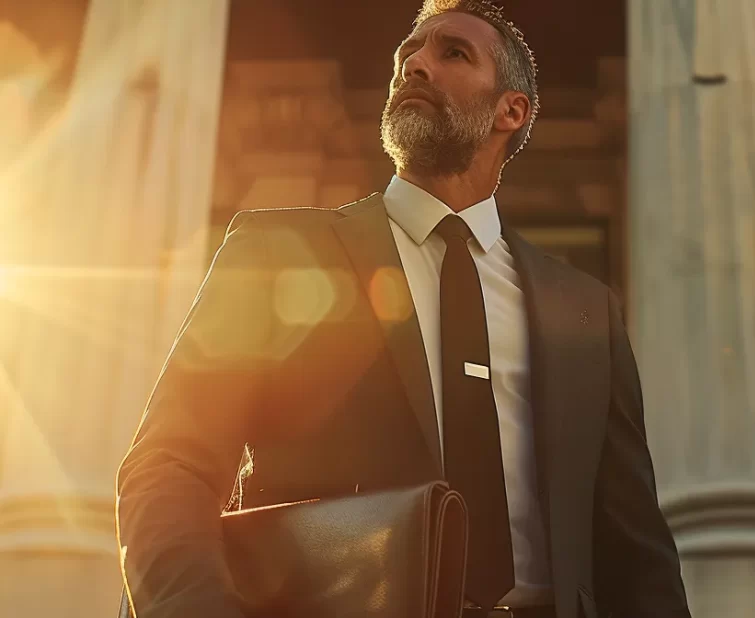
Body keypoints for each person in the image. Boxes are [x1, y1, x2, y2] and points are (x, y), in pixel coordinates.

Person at [115, 1, 691, 617]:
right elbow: (170, 463)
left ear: (511, 111)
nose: (414, 64)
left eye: (453, 53)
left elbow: (636, 551)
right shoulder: (277, 253)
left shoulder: (585, 312)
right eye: (408, 54)